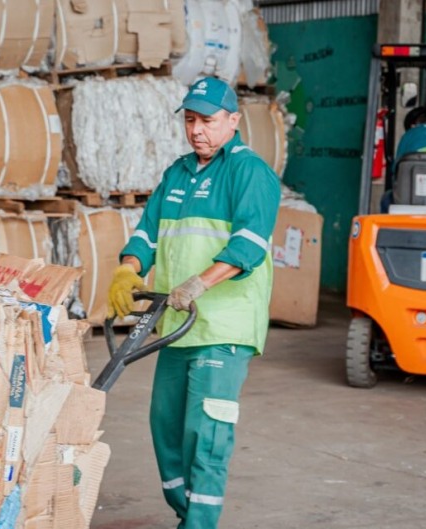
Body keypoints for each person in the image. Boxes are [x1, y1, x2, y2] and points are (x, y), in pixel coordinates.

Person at [106, 76, 280, 529]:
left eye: (207, 120)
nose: (197, 130)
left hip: (223, 325)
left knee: (207, 433)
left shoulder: (249, 172)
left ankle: (199, 523)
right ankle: (186, 513)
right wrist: (128, 268)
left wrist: (199, 284)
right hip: (177, 325)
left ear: (233, 121)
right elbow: (147, 233)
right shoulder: (178, 173)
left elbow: (248, 244)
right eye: (189, 120)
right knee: (165, 426)